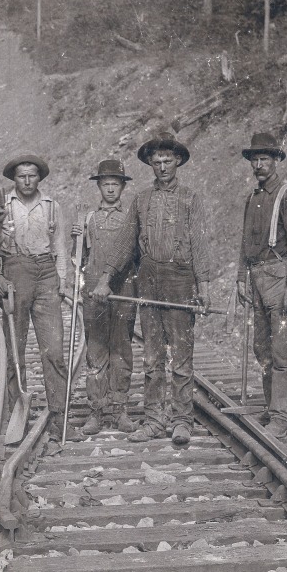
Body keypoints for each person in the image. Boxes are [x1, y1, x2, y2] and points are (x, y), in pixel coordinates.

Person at [92, 131, 212, 448]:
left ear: (178, 162)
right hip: (148, 278)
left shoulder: (190, 199)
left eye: (167, 160)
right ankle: (155, 419)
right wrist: (105, 278)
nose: (161, 166)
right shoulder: (142, 201)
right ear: (150, 164)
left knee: (182, 357)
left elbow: (200, 244)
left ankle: (182, 420)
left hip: (180, 279)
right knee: (152, 357)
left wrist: (205, 285)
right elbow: (123, 243)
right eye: (156, 161)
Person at [0, 155, 69, 447]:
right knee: (15, 350)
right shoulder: (0, 207)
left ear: (39, 178)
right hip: (15, 271)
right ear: (14, 179)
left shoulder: (52, 207)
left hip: (46, 274)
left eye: (32, 176)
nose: (27, 181)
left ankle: (59, 418)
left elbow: (60, 246)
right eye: (21, 177)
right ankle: (18, 414)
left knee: (54, 350)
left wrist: (62, 281)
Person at [235, 130, 287, 438]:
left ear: (276, 160)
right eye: (255, 159)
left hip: (279, 276)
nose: (259, 165)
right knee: (262, 348)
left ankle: (282, 416)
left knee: (281, 350)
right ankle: (271, 407)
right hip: (256, 276)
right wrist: (241, 277)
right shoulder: (253, 198)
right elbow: (244, 243)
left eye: (265, 158)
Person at [70, 159, 139, 436]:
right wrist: (74, 239)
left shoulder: (131, 217)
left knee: (121, 349)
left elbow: (137, 255)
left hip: (124, 291)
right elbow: (79, 259)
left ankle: (120, 410)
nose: (110, 189)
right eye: (106, 184)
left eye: (115, 184)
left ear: (122, 186)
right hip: (94, 294)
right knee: (96, 351)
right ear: (99, 186)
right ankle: (97, 411)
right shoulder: (88, 219)